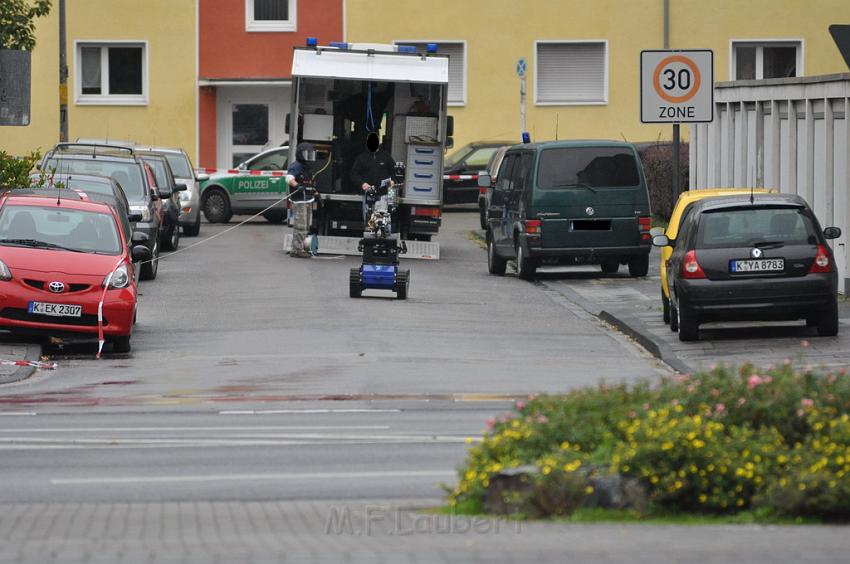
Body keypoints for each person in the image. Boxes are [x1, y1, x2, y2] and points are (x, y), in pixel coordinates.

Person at [350, 132, 395, 223]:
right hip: (367, 195)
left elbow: (394, 172)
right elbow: (354, 174)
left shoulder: (386, 156)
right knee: (368, 222)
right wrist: (362, 184)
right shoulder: (361, 158)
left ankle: (380, 235)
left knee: (380, 222)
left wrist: (393, 181)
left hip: (383, 194)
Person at [286, 142, 317, 258]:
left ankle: (302, 247)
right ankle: (296, 249)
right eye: (306, 154)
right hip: (299, 201)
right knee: (300, 225)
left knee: (306, 226)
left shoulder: (308, 167)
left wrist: (315, 193)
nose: (309, 157)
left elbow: (310, 183)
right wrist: (297, 186)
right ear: (300, 154)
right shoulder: (296, 166)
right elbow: (289, 178)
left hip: (308, 200)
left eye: (310, 154)